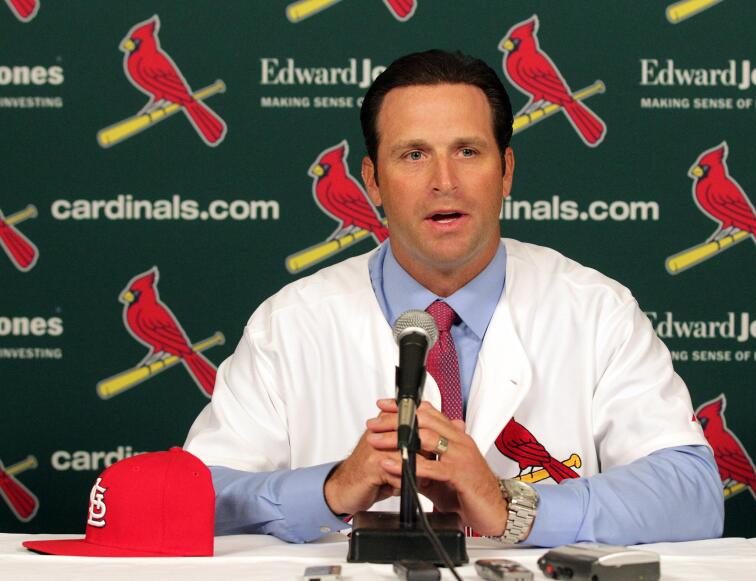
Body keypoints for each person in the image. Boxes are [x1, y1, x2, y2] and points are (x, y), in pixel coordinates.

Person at [184, 50, 724, 546]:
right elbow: (195, 497)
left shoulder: (595, 308)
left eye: (468, 151)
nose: (444, 181)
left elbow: (691, 494)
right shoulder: (292, 323)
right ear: (372, 181)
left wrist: (511, 506)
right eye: (413, 154)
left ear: (506, 171)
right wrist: (329, 489)